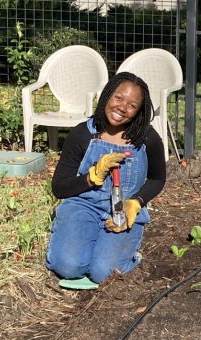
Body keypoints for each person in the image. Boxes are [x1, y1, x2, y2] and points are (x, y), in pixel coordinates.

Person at [46, 72, 166, 290]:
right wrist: (92, 177)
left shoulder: (147, 138)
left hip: (123, 209)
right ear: (108, 96)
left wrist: (136, 202)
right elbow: (59, 187)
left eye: (132, 105)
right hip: (83, 205)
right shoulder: (82, 134)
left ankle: (129, 253)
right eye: (118, 98)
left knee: (104, 273)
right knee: (68, 267)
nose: (122, 107)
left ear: (139, 110)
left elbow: (158, 179)